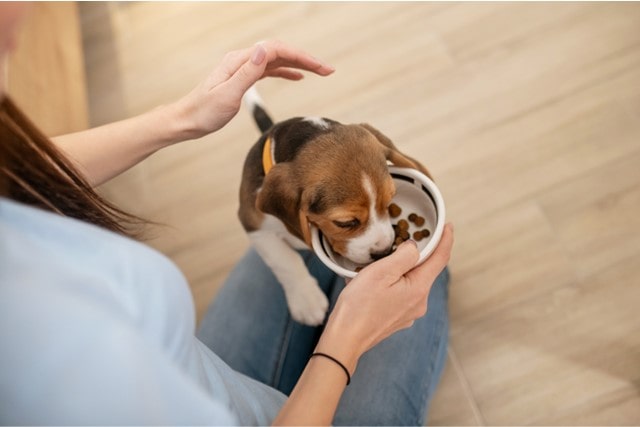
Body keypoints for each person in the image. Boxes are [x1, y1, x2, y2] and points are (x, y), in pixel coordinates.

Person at [0, 3, 454, 425]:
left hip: (203, 371)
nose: (24, 8)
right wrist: (344, 343)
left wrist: (183, 117)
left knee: (349, 264)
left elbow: (17, 172)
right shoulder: (43, 366)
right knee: (425, 276)